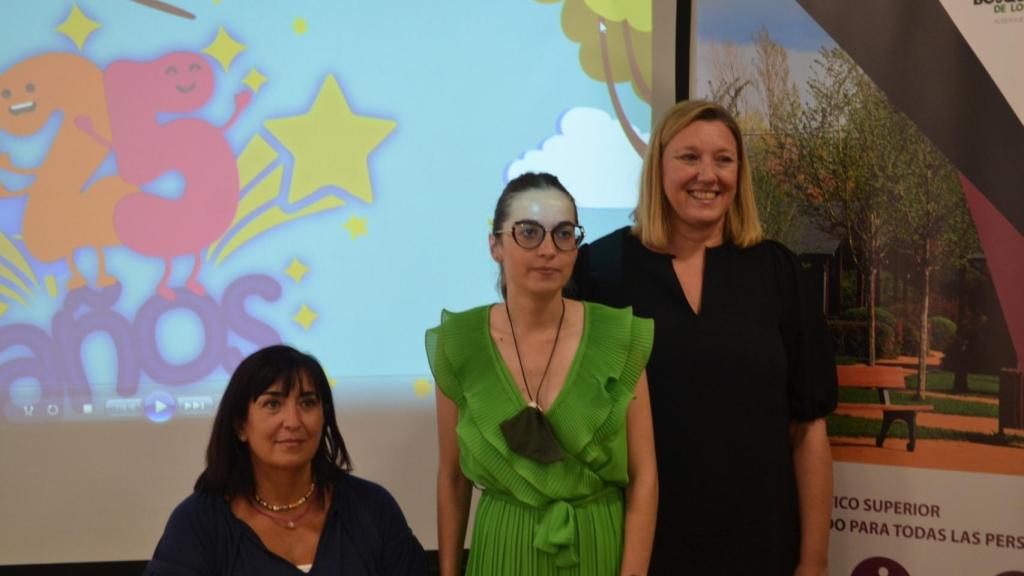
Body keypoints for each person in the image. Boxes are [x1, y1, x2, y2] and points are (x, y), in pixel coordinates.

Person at [571, 100, 837, 575]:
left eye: (723, 159)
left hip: (761, 546)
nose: (707, 174)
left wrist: (813, 562)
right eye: (689, 157)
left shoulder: (778, 272)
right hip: (639, 550)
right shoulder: (603, 270)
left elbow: (809, 429)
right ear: (659, 168)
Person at [427, 172, 658, 576]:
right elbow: (452, 478)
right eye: (529, 232)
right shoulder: (460, 344)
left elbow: (644, 478)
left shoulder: (618, 338)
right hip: (503, 548)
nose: (548, 249)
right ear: (495, 245)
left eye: (564, 234)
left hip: (596, 546)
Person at [144, 344, 426, 576]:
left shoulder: (372, 508)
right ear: (241, 425)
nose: (292, 421)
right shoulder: (198, 523)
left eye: (307, 403)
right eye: (273, 404)